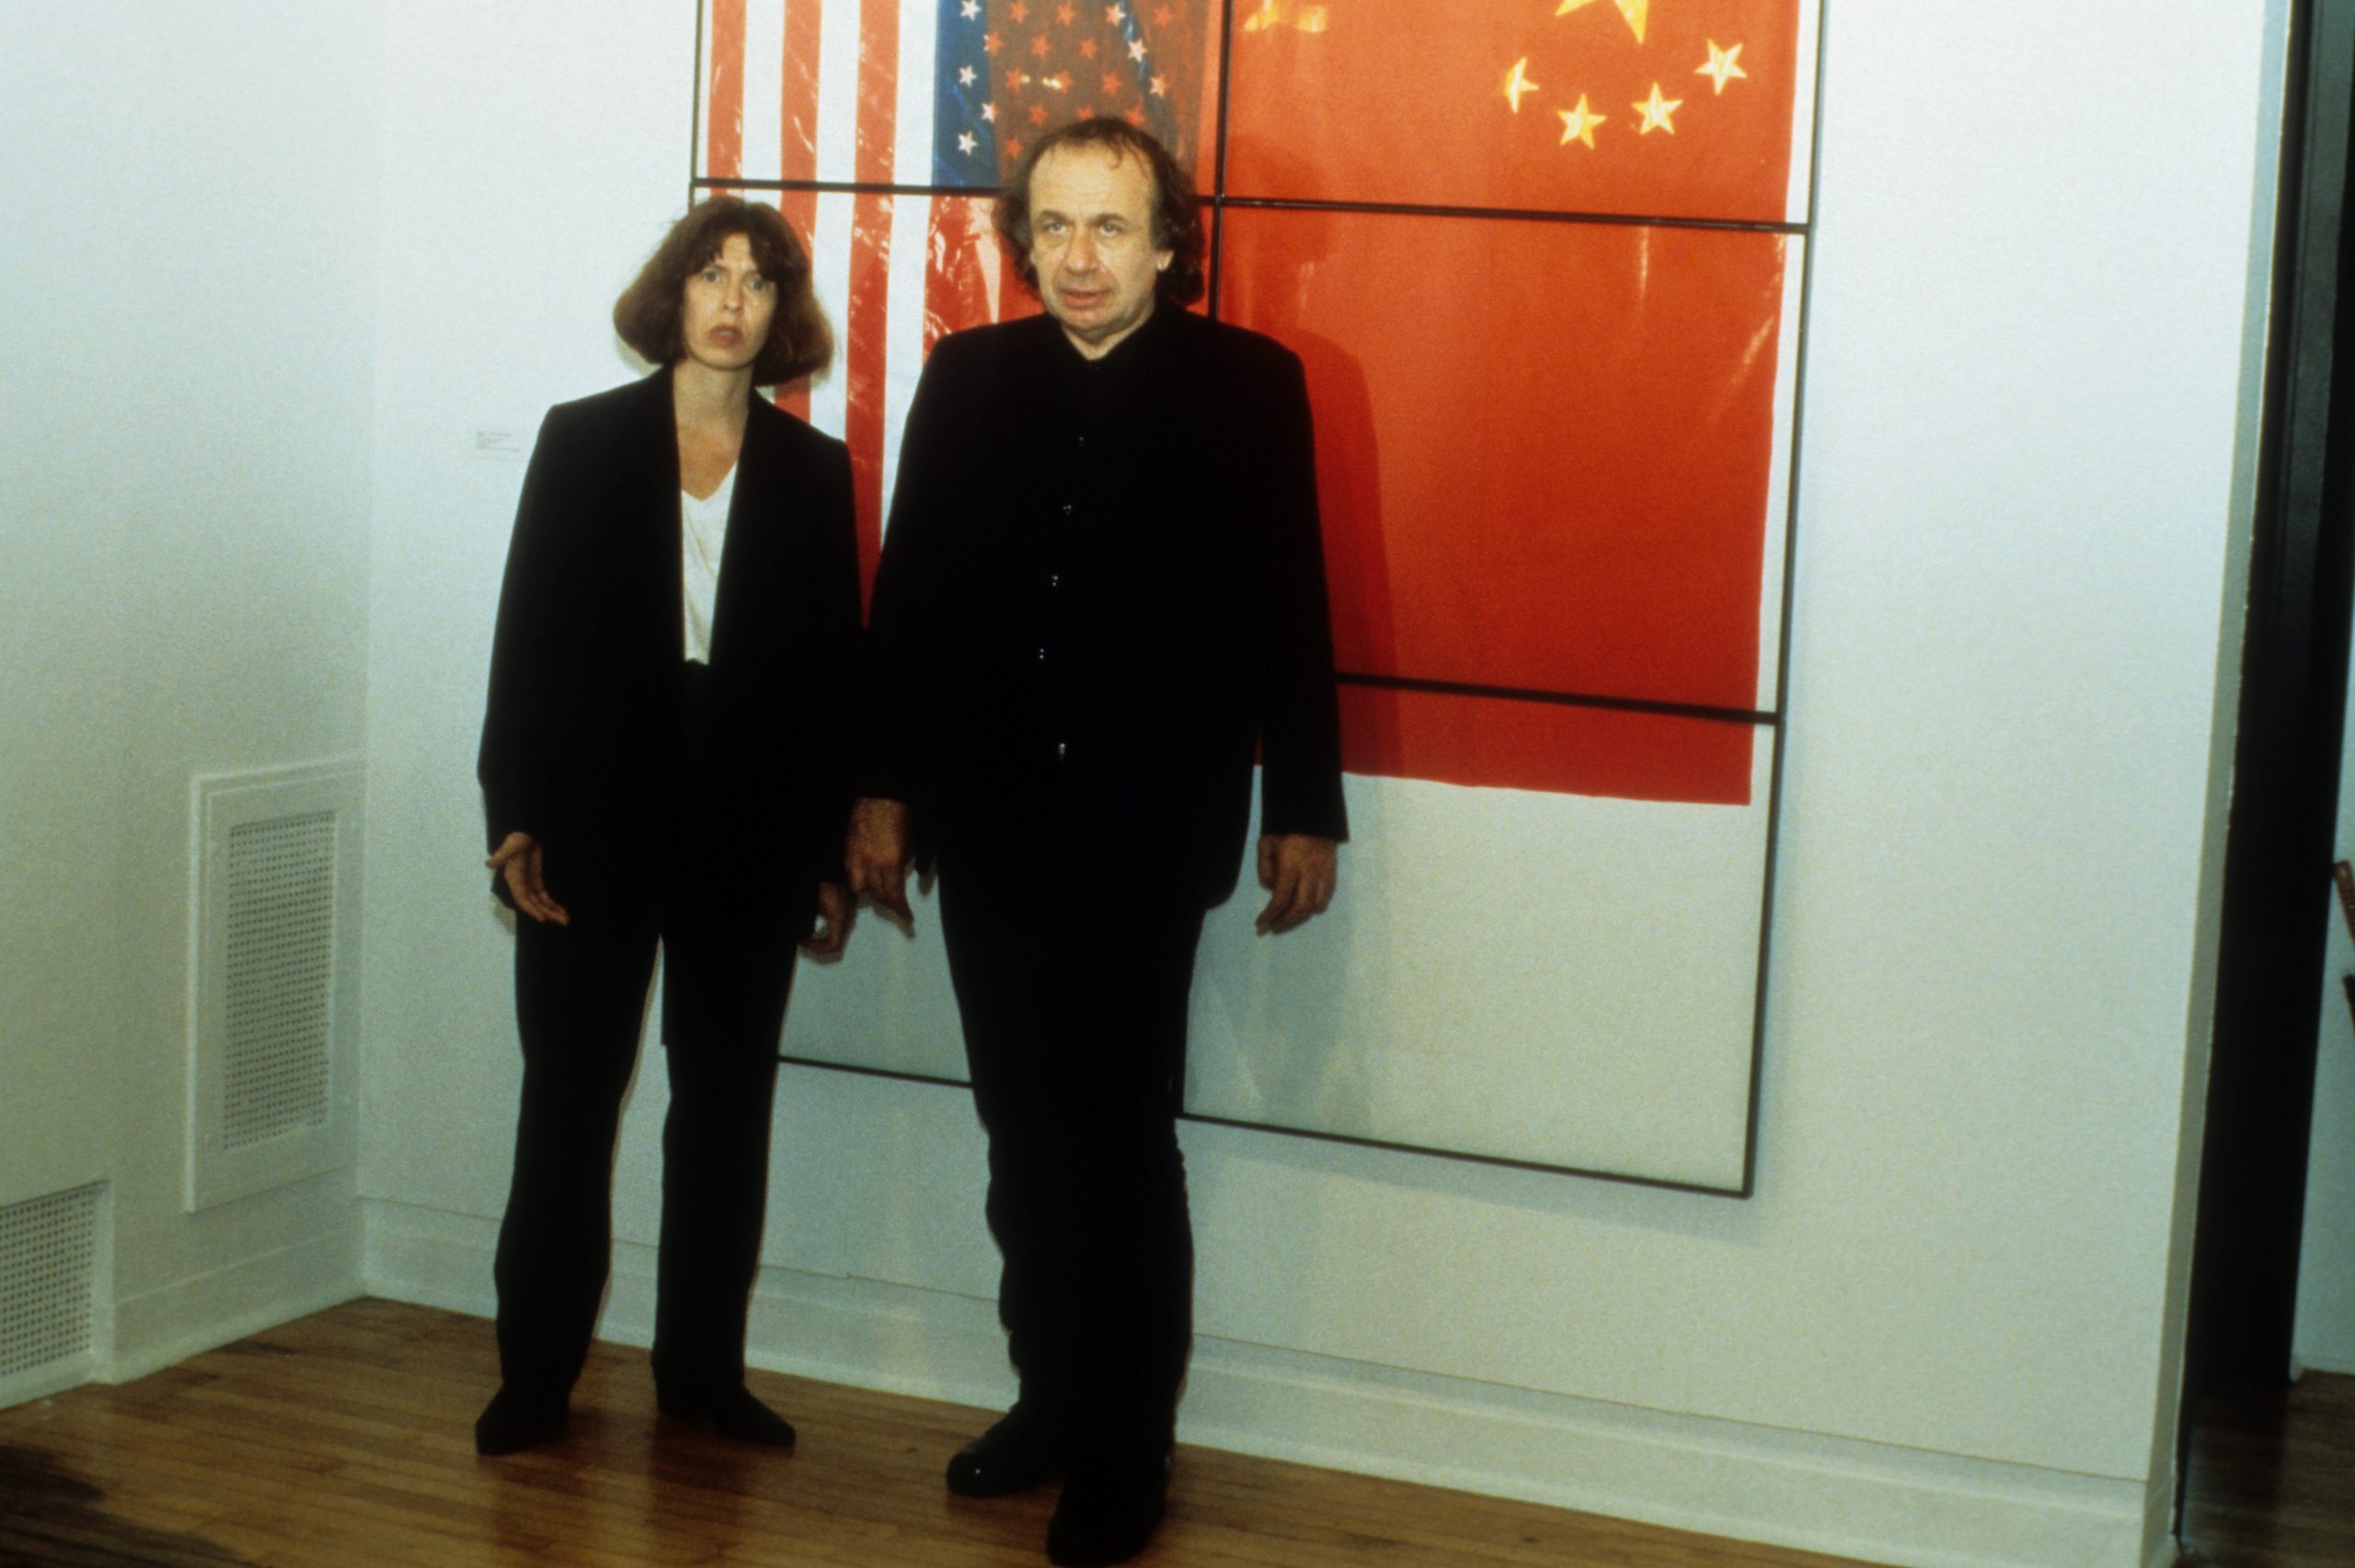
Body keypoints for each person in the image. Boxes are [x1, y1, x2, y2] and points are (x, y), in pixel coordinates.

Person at [845, 119, 1347, 1566]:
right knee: (1020, 1134)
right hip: (989, 823)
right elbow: (910, 597)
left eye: (1110, 226)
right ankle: (1052, 1400)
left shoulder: (1252, 385)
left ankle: (1130, 1449)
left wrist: (1305, 802)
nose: (1078, 256)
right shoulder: (966, 376)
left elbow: (1292, 601)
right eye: (1054, 225)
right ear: (1025, 239)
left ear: (1168, 241)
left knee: (1120, 1145)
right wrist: (879, 787)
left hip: (1146, 833)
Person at [472, 197, 861, 1458]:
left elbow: (829, 684)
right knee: (567, 1105)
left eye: (758, 280)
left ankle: (702, 1376)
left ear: (782, 310)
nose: (732, 301)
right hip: (593, 821)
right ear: (673, 294)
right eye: (710, 274)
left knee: (724, 1113)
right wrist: (514, 811)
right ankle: (535, 1377)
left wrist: (823, 853)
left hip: (748, 834)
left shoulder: (815, 472)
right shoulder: (582, 440)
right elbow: (526, 636)